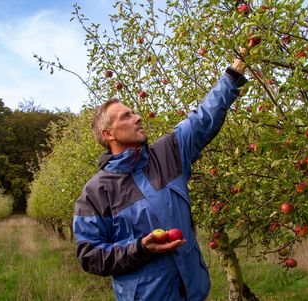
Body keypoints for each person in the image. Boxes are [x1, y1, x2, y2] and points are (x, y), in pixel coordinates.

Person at [73, 55, 247, 300]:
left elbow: (202, 120)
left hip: (194, 292)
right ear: (108, 134)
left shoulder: (167, 154)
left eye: (133, 112)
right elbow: (89, 255)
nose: (137, 117)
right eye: (126, 116)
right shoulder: (96, 192)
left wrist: (233, 75)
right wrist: (140, 249)